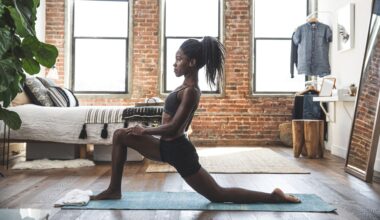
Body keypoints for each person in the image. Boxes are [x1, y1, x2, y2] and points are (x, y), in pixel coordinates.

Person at [91, 36, 300, 204]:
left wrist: (144, 130)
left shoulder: (191, 91)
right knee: (120, 135)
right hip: (166, 147)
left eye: (179, 58)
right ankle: (114, 190)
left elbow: (174, 128)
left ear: (191, 62)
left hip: (179, 151)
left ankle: (274, 196)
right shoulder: (183, 87)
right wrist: (144, 130)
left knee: (218, 195)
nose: (174, 63)